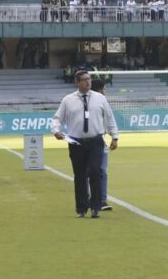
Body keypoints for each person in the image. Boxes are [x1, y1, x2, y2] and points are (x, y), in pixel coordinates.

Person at [51, 70, 118, 218]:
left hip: (96, 141)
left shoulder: (100, 98)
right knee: (80, 175)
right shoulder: (68, 100)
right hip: (76, 142)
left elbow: (109, 118)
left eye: (89, 79)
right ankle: (81, 209)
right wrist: (56, 130)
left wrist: (115, 136)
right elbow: (57, 118)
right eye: (84, 79)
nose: (88, 82)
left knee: (95, 172)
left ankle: (95, 207)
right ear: (77, 82)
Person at [90, 78, 114, 212]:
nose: (105, 91)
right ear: (99, 89)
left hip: (102, 141)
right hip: (87, 142)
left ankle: (102, 200)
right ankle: (91, 198)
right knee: (91, 171)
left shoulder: (103, 102)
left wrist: (114, 137)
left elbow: (110, 119)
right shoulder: (86, 102)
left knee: (102, 171)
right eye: (104, 89)